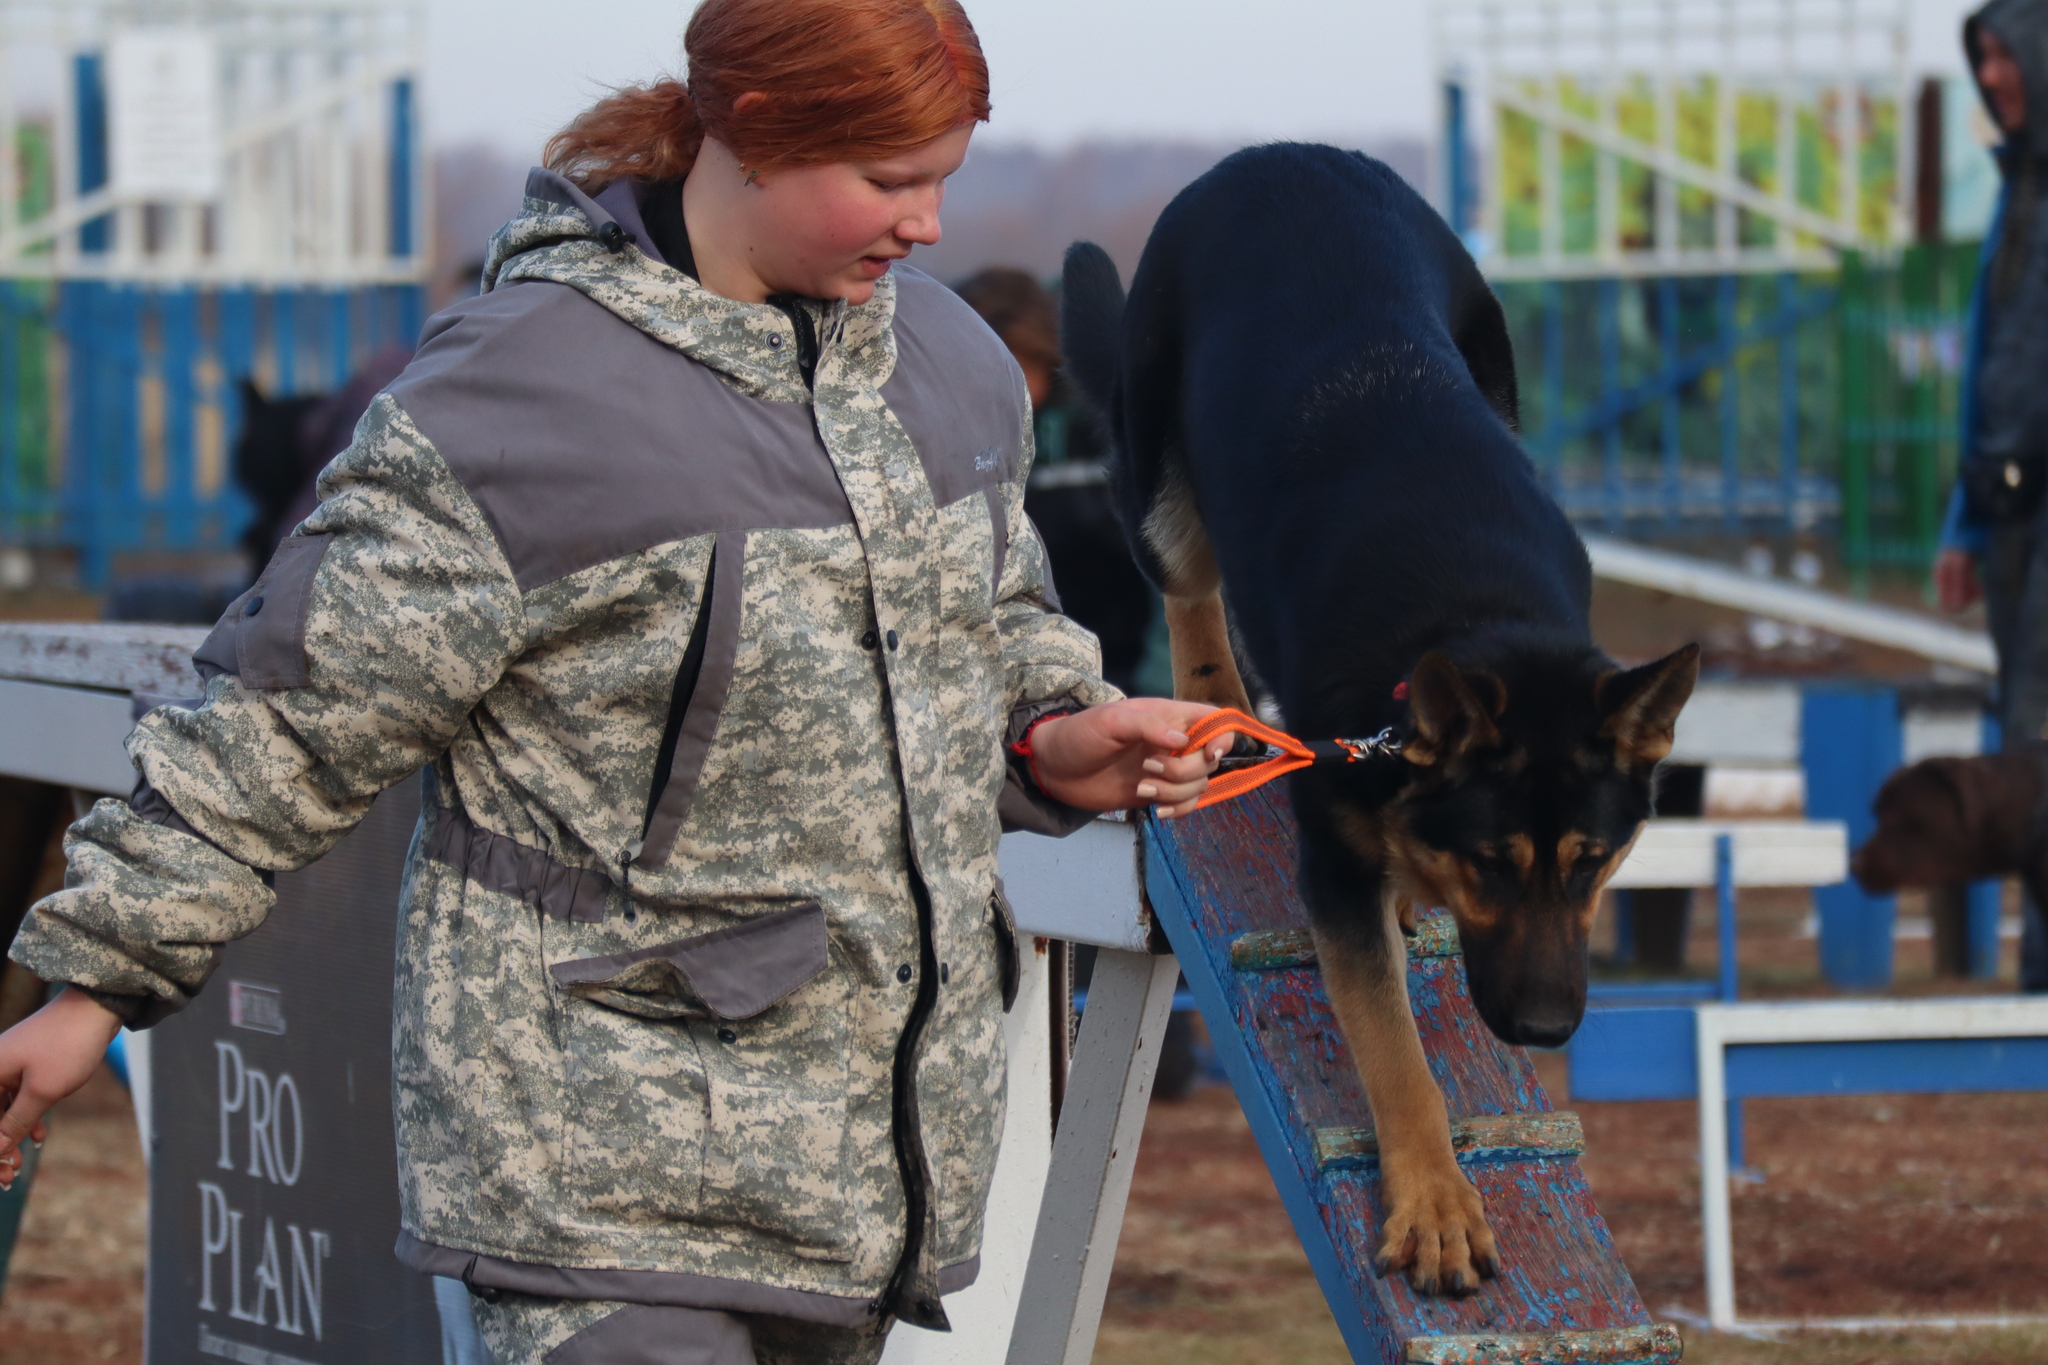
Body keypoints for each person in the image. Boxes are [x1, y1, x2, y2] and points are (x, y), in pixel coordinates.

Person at [0, 3, 1229, 1362]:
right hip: (591, 1171)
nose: (929, 223)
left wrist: (1054, 735)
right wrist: (90, 990)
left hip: (859, 1177)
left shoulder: (950, 366)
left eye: (942, 177)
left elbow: (996, 629)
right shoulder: (526, 396)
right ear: (752, 131)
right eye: (887, 181)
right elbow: (285, 715)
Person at [1934, 0, 2048, 993]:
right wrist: (1962, 520)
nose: (1993, 76)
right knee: (2025, 730)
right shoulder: (2017, 190)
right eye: (1980, 60)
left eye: (2004, 56)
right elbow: (1988, 370)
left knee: (2039, 731)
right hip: (2009, 512)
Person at [953, 268, 1157, 694]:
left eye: (1015, 369)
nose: (999, 389)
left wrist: (1162, 680)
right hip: (1028, 674)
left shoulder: (1108, 417)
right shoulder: (955, 438)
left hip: (1134, 661)